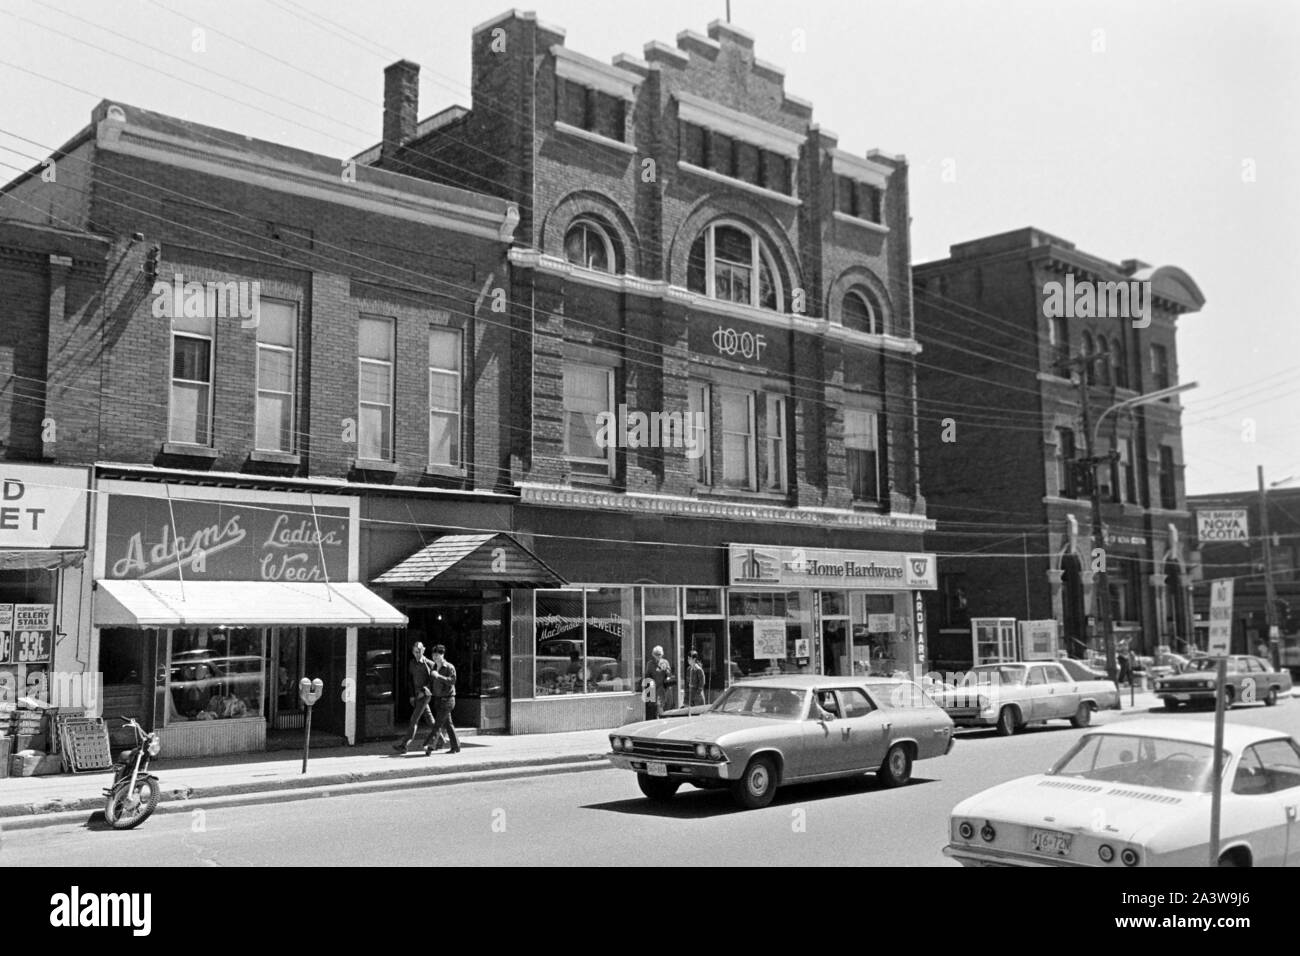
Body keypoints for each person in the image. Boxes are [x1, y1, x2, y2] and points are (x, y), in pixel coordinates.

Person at [393, 641, 435, 753]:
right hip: (416, 695)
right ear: (413, 652)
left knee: (414, 720)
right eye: (416, 652)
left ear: (424, 650)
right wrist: (412, 695)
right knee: (429, 718)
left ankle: (404, 745)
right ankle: (440, 739)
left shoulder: (429, 664)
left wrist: (423, 690)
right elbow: (410, 681)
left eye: (420, 651)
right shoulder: (412, 663)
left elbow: (432, 681)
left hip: (425, 695)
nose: (418, 654)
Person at [426, 644, 460, 755]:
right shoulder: (434, 667)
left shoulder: (449, 667)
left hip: (448, 700)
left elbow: (452, 681)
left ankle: (430, 746)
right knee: (448, 724)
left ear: (442, 655)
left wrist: (439, 676)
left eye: (437, 655)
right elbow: (432, 682)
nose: (435, 657)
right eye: (433, 655)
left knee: (438, 724)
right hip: (438, 699)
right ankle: (456, 746)